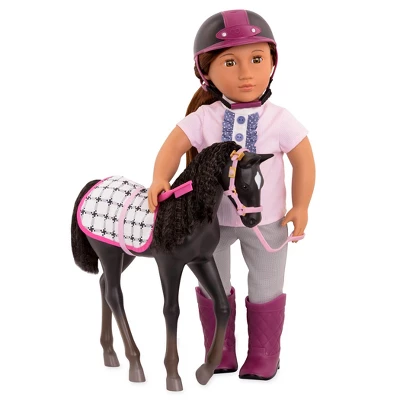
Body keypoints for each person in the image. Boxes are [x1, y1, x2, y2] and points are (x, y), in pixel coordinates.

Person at [148, 9, 315, 380]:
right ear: (206, 72)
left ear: (272, 62)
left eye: (256, 59)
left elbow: (304, 161)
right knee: (214, 284)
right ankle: (219, 349)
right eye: (230, 62)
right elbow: (173, 147)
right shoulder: (205, 118)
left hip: (267, 219)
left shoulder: (279, 119)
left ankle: (265, 354)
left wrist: (301, 205)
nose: (245, 73)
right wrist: (160, 177)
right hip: (211, 223)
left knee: (267, 284)